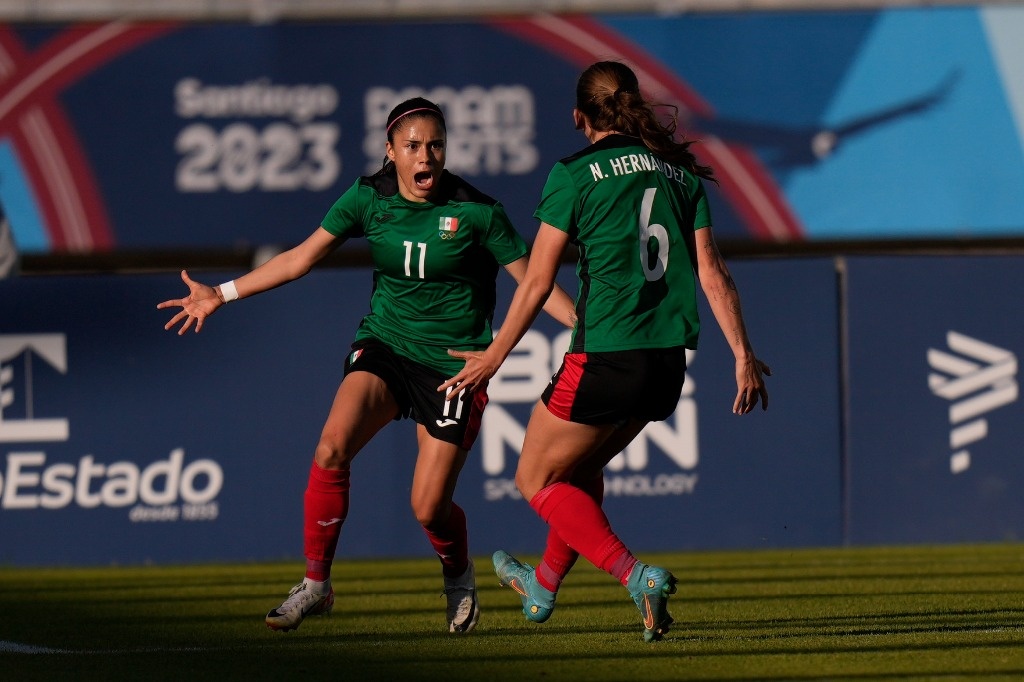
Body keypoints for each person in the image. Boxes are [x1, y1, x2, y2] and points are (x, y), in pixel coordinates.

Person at [158, 97, 575, 635]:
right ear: (390, 152)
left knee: (428, 508)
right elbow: (299, 259)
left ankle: (458, 572)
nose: (427, 156)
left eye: (436, 145)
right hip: (385, 346)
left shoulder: (478, 211)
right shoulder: (367, 198)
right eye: (414, 146)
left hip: (453, 366)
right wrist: (222, 292)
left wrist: (588, 329)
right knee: (332, 445)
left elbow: (536, 285)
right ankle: (316, 584)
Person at [439, 62, 771, 642]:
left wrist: (494, 355)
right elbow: (712, 273)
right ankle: (542, 587)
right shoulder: (678, 173)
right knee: (579, 469)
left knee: (534, 480)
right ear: (635, 106)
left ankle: (634, 575)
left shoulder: (574, 174)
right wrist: (742, 353)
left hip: (605, 354)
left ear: (578, 117)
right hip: (668, 362)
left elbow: (537, 281)